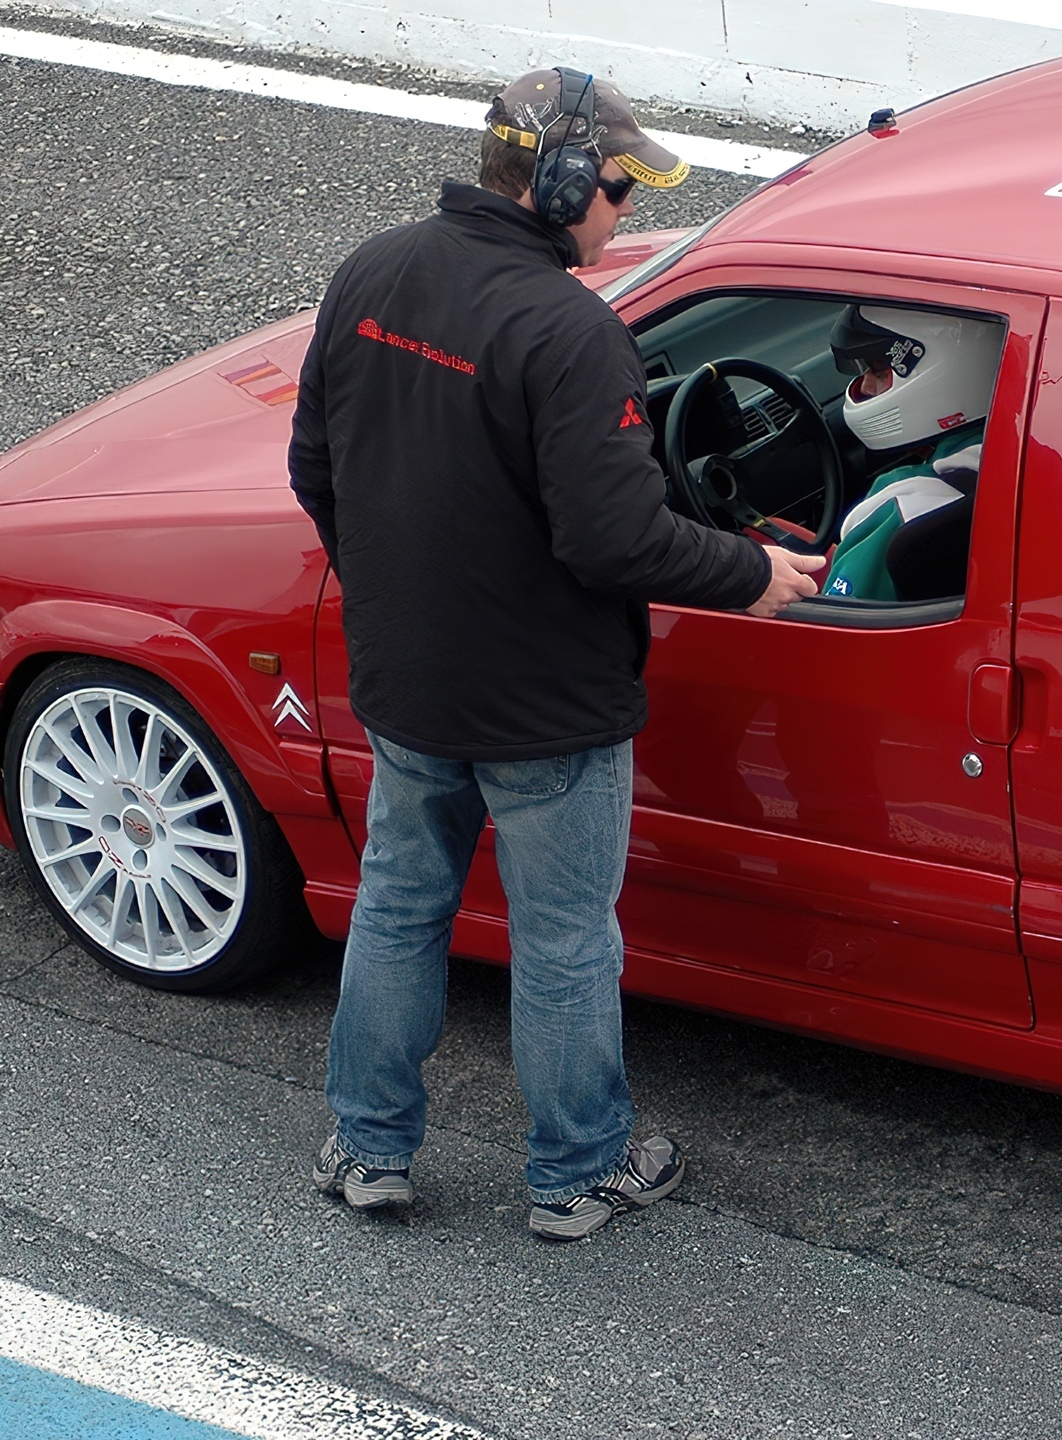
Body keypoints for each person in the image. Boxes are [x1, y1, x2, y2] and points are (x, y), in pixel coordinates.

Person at [287, 65, 824, 1241]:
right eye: (620, 191)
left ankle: (369, 1151)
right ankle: (577, 1172)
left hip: (407, 686)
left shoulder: (371, 269)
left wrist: (395, 596)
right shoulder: (571, 332)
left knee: (394, 909)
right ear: (563, 179)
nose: (623, 214)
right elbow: (614, 535)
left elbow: (314, 469)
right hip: (549, 714)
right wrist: (752, 572)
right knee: (567, 939)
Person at [819, 306, 1001, 602]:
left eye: (878, 369)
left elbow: (829, 628)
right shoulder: (1040, 454)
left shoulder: (900, 508)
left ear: (947, 371)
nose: (865, 385)